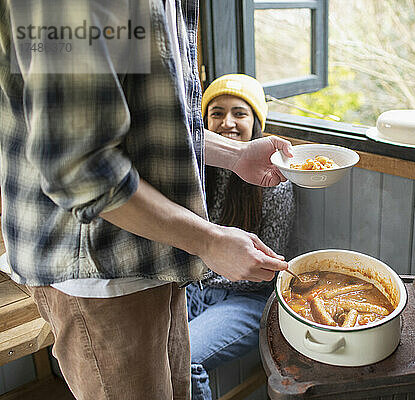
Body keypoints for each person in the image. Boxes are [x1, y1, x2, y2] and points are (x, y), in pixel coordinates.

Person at [0, 2, 291, 399]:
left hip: (159, 258)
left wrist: (236, 155)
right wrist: (208, 241)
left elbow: (152, 126)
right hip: (102, 270)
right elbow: (81, 168)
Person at [185, 74, 295, 399]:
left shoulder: (273, 181)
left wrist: (215, 261)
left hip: (246, 300)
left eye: (239, 113)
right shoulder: (192, 172)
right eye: (216, 113)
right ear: (202, 122)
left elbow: (267, 265)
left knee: (182, 358)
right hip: (192, 288)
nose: (227, 122)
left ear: (256, 122)